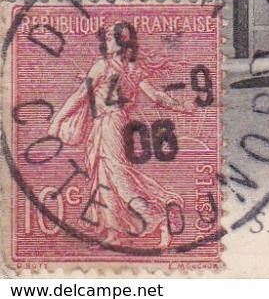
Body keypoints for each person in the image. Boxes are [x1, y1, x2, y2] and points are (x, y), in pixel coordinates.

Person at [47, 21, 199, 247]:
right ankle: (113, 234)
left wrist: (57, 121)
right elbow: (156, 96)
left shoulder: (102, 66)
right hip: (117, 125)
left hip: (109, 126)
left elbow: (80, 96)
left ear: (120, 43)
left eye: (109, 38)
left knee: (120, 180)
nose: (105, 43)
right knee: (104, 178)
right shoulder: (134, 69)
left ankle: (159, 219)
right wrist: (181, 105)